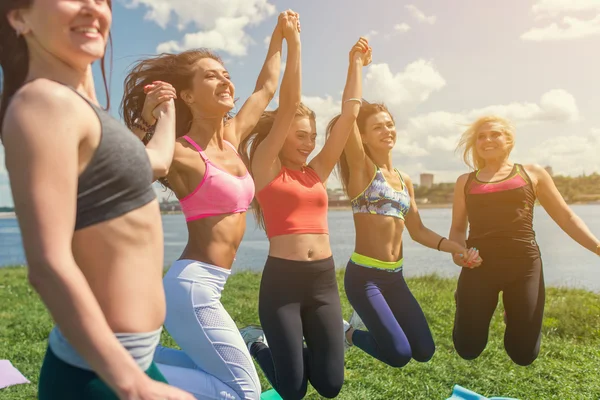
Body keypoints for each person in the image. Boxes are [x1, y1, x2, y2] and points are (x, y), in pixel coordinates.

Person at [0, 0, 194, 399]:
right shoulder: (43, 103)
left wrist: (165, 111)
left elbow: (156, 161)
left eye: (102, 0)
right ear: (18, 17)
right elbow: (48, 265)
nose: (93, 7)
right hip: (100, 377)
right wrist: (135, 386)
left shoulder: (81, 109)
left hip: (130, 363)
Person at [121, 9, 303, 400]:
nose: (223, 79)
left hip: (209, 285)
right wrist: (146, 119)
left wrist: (283, 37)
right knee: (243, 393)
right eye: (210, 75)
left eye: (225, 74)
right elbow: (127, 166)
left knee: (214, 378)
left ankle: (126, 359)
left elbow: (268, 86)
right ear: (187, 95)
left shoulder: (234, 137)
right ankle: (118, 369)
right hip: (192, 286)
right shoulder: (184, 153)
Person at [238, 36, 372, 400]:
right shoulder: (265, 165)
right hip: (282, 286)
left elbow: (349, 116)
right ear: (280, 137)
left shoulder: (316, 172)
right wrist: (294, 43)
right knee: (293, 392)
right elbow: (289, 103)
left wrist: (355, 63)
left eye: (312, 137)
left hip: (323, 283)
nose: (309, 143)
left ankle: (293, 355)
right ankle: (257, 345)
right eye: (300, 135)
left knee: (330, 386)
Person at [332, 101, 481, 369]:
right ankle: (348, 333)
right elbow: (348, 113)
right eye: (377, 127)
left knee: (424, 351)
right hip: (365, 278)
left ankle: (362, 321)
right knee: (399, 355)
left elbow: (419, 231)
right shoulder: (363, 170)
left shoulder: (404, 179)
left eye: (389, 124)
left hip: (394, 277)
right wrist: (355, 64)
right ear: (362, 136)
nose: (387, 130)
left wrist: (457, 249)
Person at [449, 115, 600, 366]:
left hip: (524, 266)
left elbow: (566, 216)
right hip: (479, 267)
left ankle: (515, 310)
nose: (487, 140)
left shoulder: (532, 173)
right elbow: (456, 230)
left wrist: (596, 246)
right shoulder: (465, 182)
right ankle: (463, 298)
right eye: (481, 136)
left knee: (523, 355)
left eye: (494, 134)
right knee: (468, 348)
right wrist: (459, 254)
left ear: (508, 139)